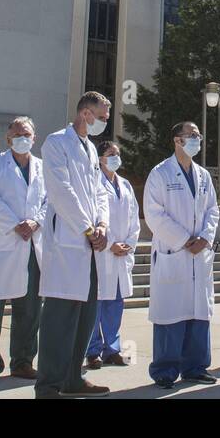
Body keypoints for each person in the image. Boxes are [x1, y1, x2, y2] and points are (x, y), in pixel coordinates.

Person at [35, 91, 112, 398]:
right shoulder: (56, 143)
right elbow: (60, 190)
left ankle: (73, 378)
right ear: (85, 114)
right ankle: (48, 385)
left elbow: (100, 193)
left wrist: (103, 224)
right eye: (102, 116)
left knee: (84, 316)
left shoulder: (91, 150)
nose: (105, 121)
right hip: (69, 242)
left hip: (90, 246)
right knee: (60, 318)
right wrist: (88, 228)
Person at [144, 122, 220, 389]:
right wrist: (185, 239)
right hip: (174, 251)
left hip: (199, 254)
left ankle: (196, 367)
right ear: (177, 140)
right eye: (192, 136)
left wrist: (205, 238)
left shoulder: (203, 175)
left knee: (199, 312)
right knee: (171, 315)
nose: (197, 140)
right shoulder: (160, 173)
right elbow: (154, 215)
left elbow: (212, 209)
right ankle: (164, 371)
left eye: (199, 135)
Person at [0, 117, 47, 384]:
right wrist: (16, 224)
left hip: (31, 245)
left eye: (26, 133)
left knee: (29, 310)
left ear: (34, 137)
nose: (22, 137)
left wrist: (35, 221)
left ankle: (23, 361)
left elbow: (50, 200)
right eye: (16, 134)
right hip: (3, 244)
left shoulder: (42, 167)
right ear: (8, 139)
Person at [86, 141, 141, 370]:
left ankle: (113, 349)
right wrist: (110, 245)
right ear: (100, 158)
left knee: (115, 305)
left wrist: (128, 244)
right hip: (102, 253)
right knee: (96, 305)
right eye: (111, 154)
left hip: (122, 255)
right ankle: (93, 351)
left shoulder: (125, 185)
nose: (116, 158)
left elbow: (134, 219)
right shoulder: (93, 183)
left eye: (118, 154)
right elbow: (91, 218)